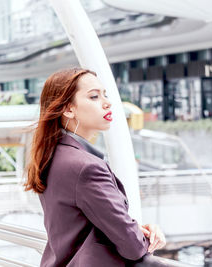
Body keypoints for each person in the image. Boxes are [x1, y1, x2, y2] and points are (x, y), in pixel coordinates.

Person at [24, 68, 166, 266]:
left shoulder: (52, 155)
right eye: (94, 96)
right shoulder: (86, 168)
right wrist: (144, 236)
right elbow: (132, 247)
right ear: (68, 109)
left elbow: (81, 224)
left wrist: (134, 228)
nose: (107, 103)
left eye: (105, 95)